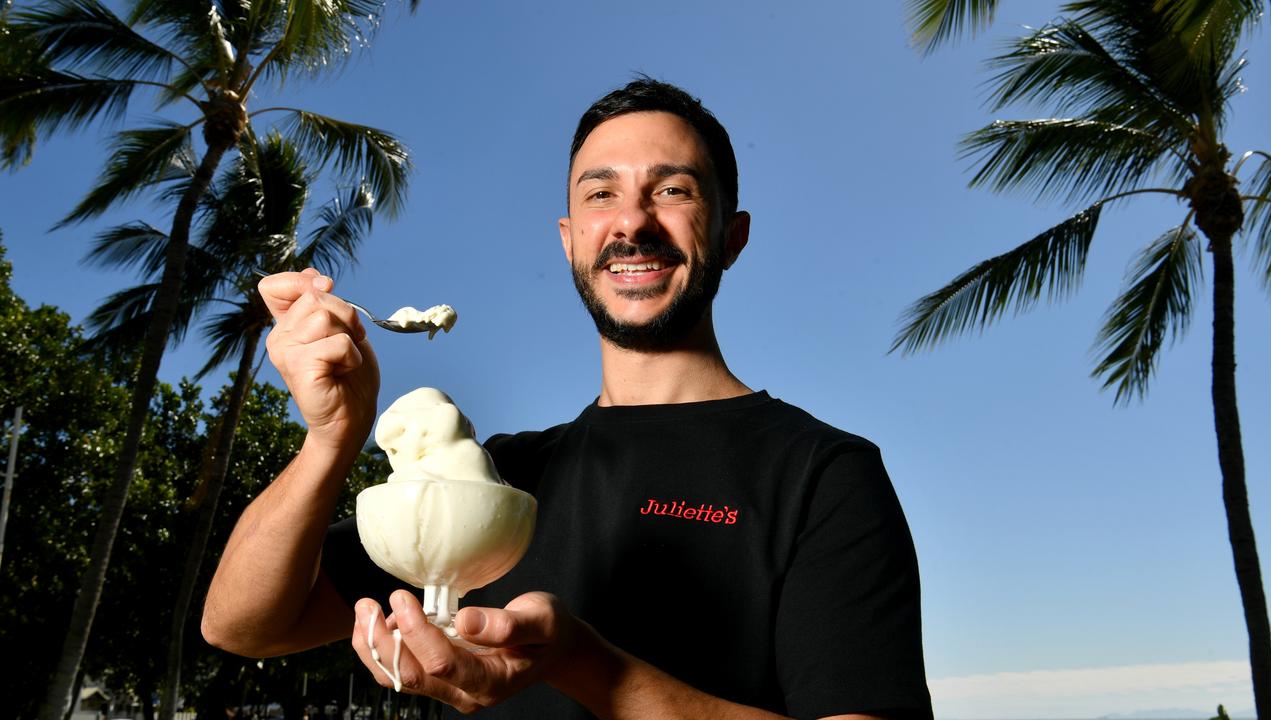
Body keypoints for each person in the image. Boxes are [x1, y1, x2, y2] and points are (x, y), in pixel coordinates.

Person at [202, 78, 933, 720]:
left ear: (732, 236)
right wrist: (332, 437)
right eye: (600, 194)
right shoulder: (491, 480)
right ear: (569, 239)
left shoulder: (823, 474)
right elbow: (244, 625)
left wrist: (591, 670)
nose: (631, 222)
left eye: (673, 191)